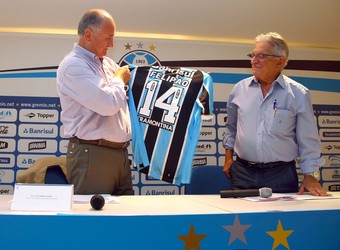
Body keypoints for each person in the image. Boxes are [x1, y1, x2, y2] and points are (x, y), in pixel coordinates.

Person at [222, 32, 327, 196]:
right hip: (243, 172)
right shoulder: (239, 90)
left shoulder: (298, 94)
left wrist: (311, 175)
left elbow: (308, 140)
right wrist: (228, 158)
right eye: (253, 55)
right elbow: (231, 128)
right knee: (243, 219)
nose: (253, 60)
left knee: (280, 221)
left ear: (280, 61)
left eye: (261, 56)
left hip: (280, 174)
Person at [56, 9, 133, 195]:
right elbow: (108, 104)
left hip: (120, 154)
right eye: (109, 37)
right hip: (93, 154)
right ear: (89, 34)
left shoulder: (107, 64)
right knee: (92, 221)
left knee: (125, 217)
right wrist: (119, 79)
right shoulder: (72, 65)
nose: (112, 43)